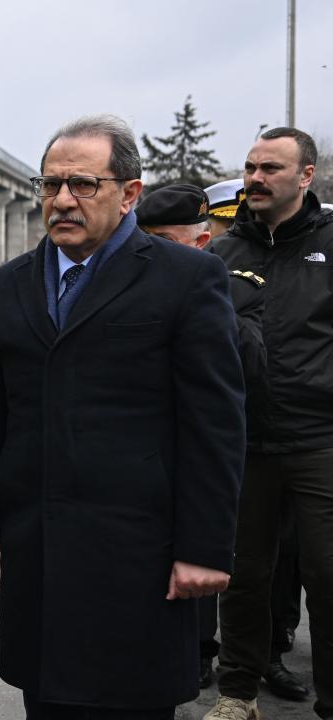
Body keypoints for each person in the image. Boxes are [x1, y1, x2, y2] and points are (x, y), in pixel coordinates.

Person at [0, 115, 245, 720]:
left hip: (138, 555)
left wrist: (206, 547)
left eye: (84, 185)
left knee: (129, 702)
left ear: (129, 193)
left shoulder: (186, 277)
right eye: (50, 184)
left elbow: (214, 423)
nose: (63, 200)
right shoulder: (8, 285)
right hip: (38, 552)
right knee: (48, 699)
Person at [206, 126, 333, 720]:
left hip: (319, 440)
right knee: (243, 575)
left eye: (271, 169)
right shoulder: (223, 254)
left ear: (305, 176)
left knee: (326, 575)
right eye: (251, 167)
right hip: (245, 442)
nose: (255, 178)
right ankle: (237, 693)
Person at [136, 184, 271, 691]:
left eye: (166, 241)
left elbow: (249, 368)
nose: (154, 251)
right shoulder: (124, 282)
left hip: (205, 447)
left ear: (200, 242)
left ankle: (207, 653)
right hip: (145, 453)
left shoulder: (235, 287)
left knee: (208, 554)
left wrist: (206, 303)